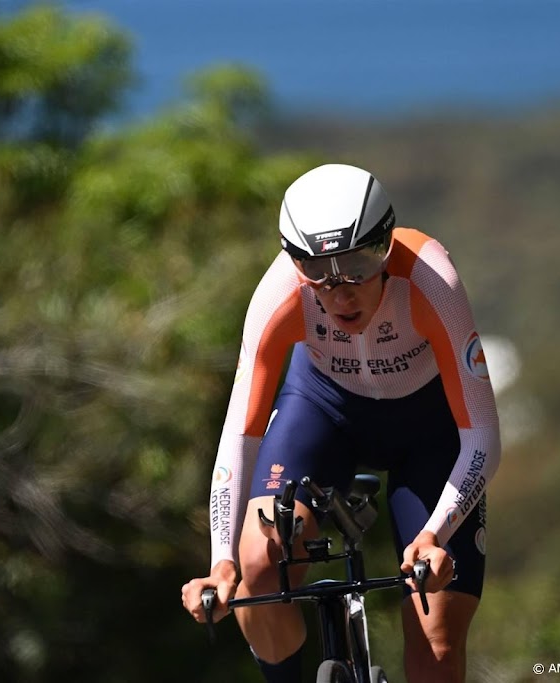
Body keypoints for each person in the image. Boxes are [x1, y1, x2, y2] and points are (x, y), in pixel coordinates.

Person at [180, 163, 500, 683]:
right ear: (293, 261)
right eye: (318, 270)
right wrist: (221, 561)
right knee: (258, 567)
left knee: (435, 639)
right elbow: (239, 437)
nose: (339, 292)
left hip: (429, 431)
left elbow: (483, 435)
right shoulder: (279, 294)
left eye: (358, 264)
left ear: (387, 246)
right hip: (324, 410)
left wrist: (435, 534)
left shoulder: (431, 279)